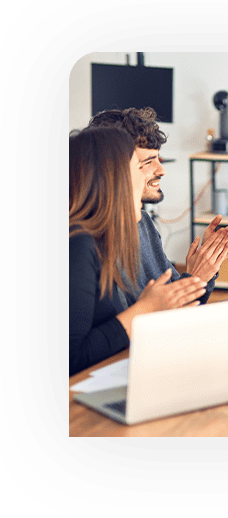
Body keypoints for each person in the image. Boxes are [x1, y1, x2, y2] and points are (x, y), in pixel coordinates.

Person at [70, 128, 209, 376]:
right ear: (113, 179)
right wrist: (143, 311)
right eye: (139, 166)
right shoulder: (79, 244)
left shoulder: (116, 234)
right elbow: (73, 357)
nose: (152, 174)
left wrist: (199, 276)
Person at [88, 107, 228, 304]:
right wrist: (196, 277)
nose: (162, 170)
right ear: (114, 168)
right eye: (149, 161)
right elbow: (133, 327)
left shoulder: (143, 222)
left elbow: (178, 303)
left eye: (158, 159)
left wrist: (205, 267)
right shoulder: (94, 242)